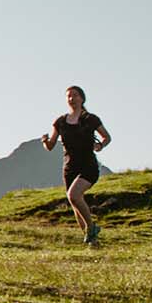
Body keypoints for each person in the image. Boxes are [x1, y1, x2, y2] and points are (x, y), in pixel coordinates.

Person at [42, 85, 110, 245]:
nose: (71, 99)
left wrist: (100, 146)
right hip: (69, 167)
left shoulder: (90, 119)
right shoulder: (60, 122)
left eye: (75, 95)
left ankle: (92, 227)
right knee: (75, 205)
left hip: (88, 166)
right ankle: (92, 241)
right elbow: (50, 146)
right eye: (69, 96)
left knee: (73, 195)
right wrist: (45, 141)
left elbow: (106, 137)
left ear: (82, 98)